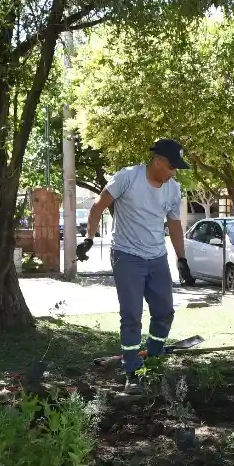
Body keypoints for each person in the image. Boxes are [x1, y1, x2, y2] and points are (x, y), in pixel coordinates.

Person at [81, 139, 192, 391]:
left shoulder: (173, 189)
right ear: (158, 161)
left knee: (165, 312)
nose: (174, 172)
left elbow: (174, 224)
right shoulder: (127, 178)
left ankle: (153, 360)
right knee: (131, 315)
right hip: (127, 255)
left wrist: (181, 258)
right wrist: (89, 238)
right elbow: (98, 206)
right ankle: (132, 371)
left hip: (157, 257)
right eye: (171, 166)